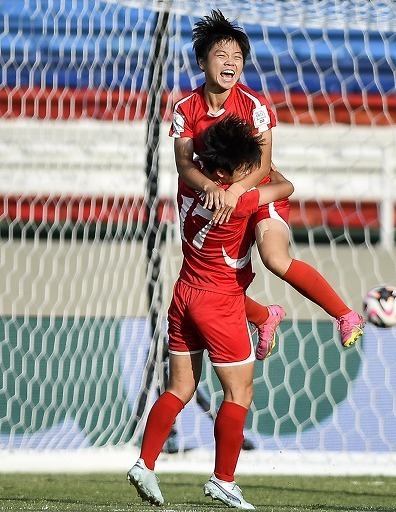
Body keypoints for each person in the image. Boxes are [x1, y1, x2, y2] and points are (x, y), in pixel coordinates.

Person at [170, 10, 364, 360]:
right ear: (202, 61)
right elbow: (184, 163)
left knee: (275, 258)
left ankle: (345, 315)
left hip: (257, 190)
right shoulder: (186, 108)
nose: (231, 63)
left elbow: (262, 166)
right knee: (212, 280)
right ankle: (265, 317)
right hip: (215, 192)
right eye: (221, 55)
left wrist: (236, 190)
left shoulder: (254, 105)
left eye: (238, 57)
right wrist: (212, 189)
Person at [127, 116, 295, 509]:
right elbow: (286, 186)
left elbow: (193, 163)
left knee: (180, 387)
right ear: (225, 171)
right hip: (220, 303)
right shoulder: (238, 201)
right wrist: (247, 183)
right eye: (242, 168)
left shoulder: (190, 181)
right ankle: (223, 479)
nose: (250, 173)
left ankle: (145, 462)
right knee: (240, 391)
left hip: (184, 292)